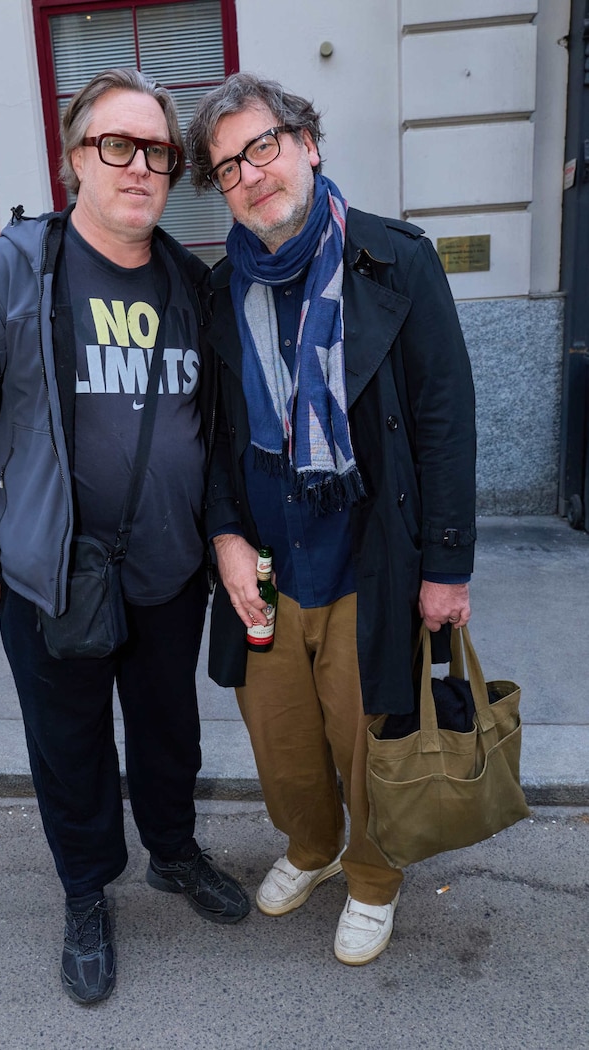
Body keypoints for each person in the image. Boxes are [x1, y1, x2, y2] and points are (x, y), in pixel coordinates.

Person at [0, 68, 250, 1007]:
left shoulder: (194, 283)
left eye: (157, 151)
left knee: (168, 731)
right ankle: (84, 892)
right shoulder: (8, 272)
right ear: (77, 159)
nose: (140, 166)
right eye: (118, 145)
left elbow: (216, 425)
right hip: (48, 573)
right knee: (67, 742)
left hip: (166, 571)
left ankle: (174, 852)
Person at [186, 73, 476, 966]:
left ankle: (375, 873)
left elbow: (444, 416)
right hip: (267, 565)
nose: (250, 173)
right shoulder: (217, 288)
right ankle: (312, 847)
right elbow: (212, 435)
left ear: (307, 143)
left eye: (263, 146)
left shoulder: (396, 258)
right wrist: (226, 537)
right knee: (284, 747)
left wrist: (447, 566)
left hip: (371, 557)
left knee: (372, 737)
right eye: (228, 165)